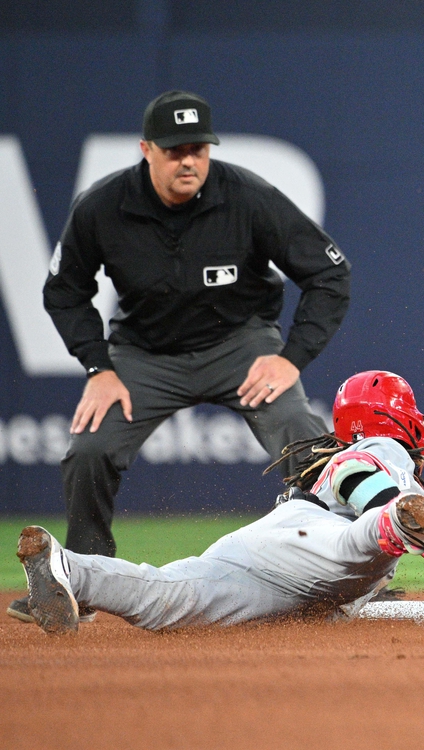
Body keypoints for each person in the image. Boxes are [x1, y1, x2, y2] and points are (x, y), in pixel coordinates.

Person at [10, 90, 352, 624]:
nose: (188, 160)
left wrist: (290, 358)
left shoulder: (246, 196)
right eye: (174, 150)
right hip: (144, 355)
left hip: (240, 344)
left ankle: (345, 576)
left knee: (303, 437)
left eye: (198, 147)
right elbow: (63, 291)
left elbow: (330, 273)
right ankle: (83, 580)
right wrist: (98, 368)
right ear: (146, 149)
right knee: (89, 451)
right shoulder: (103, 205)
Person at [15, 371, 424, 634]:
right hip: (314, 541)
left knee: (166, 601)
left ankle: (67, 568)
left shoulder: (354, 458)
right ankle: (400, 525)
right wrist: (413, 518)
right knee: (365, 540)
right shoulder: (379, 447)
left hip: (270, 557)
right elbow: (362, 476)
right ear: (395, 419)